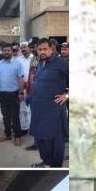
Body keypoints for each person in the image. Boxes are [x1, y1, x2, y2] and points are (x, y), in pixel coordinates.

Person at [29, 38, 69, 168]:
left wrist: (67, 95)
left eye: (45, 49)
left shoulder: (61, 63)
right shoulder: (40, 63)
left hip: (54, 107)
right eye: (40, 49)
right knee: (41, 136)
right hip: (39, 106)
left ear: (51, 48)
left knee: (55, 139)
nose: (42, 52)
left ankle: (55, 166)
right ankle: (46, 162)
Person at [0, 43, 25, 146]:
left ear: (11, 51)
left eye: (8, 50)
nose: (6, 52)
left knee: (15, 116)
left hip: (14, 94)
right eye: (4, 50)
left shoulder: (17, 64)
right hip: (2, 94)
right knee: (5, 116)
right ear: (2, 51)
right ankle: (7, 134)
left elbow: (21, 79)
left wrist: (21, 93)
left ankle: (17, 136)